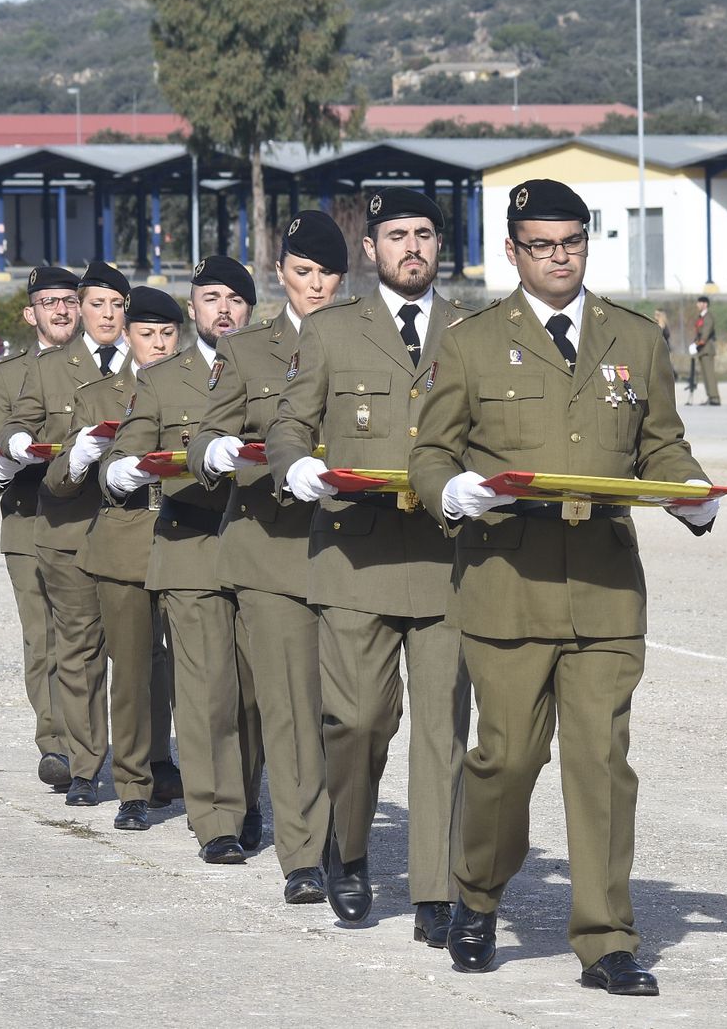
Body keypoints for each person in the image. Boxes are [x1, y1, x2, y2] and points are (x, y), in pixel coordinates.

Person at [407, 178, 720, 997]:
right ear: (512, 251)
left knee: (602, 762)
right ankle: (476, 893)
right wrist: (455, 493)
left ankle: (607, 938)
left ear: (588, 244)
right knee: (506, 761)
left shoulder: (636, 338)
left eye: (572, 243)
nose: (559, 259)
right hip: (508, 584)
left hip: (607, 589)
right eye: (541, 246)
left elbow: (662, 444)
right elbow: (431, 454)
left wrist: (689, 496)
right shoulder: (473, 342)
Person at [266, 188, 470, 947]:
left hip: (448, 558)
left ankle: (435, 892)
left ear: (437, 246)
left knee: (446, 730)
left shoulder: (474, 331)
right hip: (354, 555)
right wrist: (296, 471)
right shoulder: (331, 331)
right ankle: (346, 847)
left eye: (423, 235)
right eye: (396, 236)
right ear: (371, 251)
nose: (411, 247)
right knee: (356, 721)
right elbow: (288, 423)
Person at [188, 211, 350, 907]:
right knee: (287, 706)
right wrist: (219, 451)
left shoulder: (367, 342)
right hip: (272, 548)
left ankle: (346, 826)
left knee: (358, 709)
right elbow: (204, 435)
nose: (316, 286)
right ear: (282, 272)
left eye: (328, 275)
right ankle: (306, 854)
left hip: (354, 548)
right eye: (304, 272)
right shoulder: (249, 350)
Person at [103, 257, 264, 862]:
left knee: (253, 693)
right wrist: (120, 469)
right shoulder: (163, 380)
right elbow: (129, 447)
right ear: (192, 309)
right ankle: (216, 818)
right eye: (211, 298)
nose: (224, 308)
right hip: (190, 544)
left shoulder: (279, 369)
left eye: (235, 298)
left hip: (261, 547)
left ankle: (247, 799)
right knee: (204, 690)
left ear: (251, 308)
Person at [1, 261, 143, 808]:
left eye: (117, 306)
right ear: (80, 309)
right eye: (96, 304)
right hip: (65, 525)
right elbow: (19, 423)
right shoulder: (50, 366)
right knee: (72, 652)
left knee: (141, 657)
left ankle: (148, 762)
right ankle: (81, 763)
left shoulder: (151, 363)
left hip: (133, 527)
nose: (108, 315)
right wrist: (17, 447)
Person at [43, 284, 181, 831]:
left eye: (168, 334)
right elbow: (56, 478)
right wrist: (81, 456)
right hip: (124, 540)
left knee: (186, 667)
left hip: (190, 538)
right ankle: (132, 785)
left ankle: (175, 766)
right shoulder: (100, 395)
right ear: (127, 337)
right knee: (130, 667)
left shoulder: (202, 385)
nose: (158, 345)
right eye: (146, 335)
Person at [0, 270, 73, 793]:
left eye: (67, 300)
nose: (59, 310)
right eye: (47, 302)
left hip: (91, 517)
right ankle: (56, 741)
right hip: (29, 516)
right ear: (29, 313)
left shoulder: (101, 364)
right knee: (44, 638)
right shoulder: (8, 373)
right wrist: (2, 464)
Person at [692, 295, 720, 405]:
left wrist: (699, 343)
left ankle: (715, 397)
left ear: (705, 304)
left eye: (699, 303)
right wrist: (695, 342)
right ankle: (710, 396)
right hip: (702, 349)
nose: (697, 305)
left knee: (709, 374)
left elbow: (706, 332)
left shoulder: (708, 317)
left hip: (707, 348)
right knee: (705, 374)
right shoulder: (701, 317)